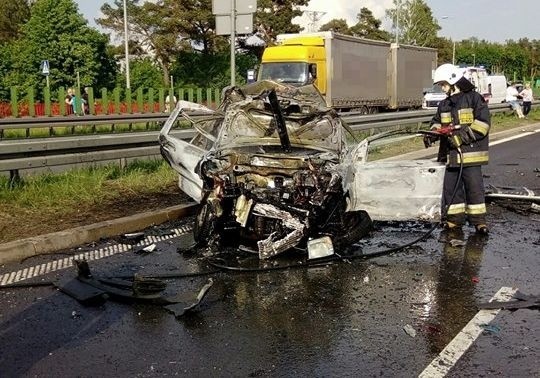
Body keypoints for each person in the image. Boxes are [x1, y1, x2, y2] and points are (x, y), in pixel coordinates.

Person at [424, 63, 491, 235]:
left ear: (453, 81)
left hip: (470, 155)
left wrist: (460, 138)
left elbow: (482, 125)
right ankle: (454, 221)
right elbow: (437, 122)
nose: (442, 88)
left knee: (474, 189)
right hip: (451, 157)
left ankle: (479, 222)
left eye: (443, 84)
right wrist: (432, 133)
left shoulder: (475, 98)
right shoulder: (445, 104)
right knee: (451, 190)